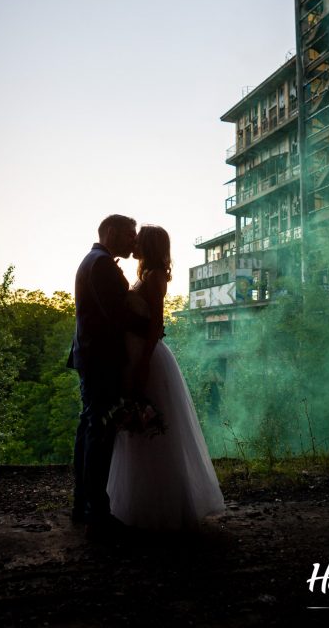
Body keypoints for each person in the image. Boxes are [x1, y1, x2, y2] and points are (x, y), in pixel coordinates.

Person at [107, 225, 225, 530]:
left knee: (154, 428)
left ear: (148, 244)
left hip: (148, 357)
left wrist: (143, 363)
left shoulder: (155, 276)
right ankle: (141, 501)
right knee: (141, 430)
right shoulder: (145, 274)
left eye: (138, 239)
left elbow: (157, 322)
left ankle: (163, 505)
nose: (133, 242)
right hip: (136, 353)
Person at [68, 214, 149, 537]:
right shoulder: (100, 264)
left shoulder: (95, 260)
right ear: (111, 232)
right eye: (130, 235)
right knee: (99, 433)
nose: (134, 241)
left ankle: (84, 506)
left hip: (92, 357)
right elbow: (116, 316)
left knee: (90, 429)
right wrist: (152, 328)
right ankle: (97, 515)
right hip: (100, 359)